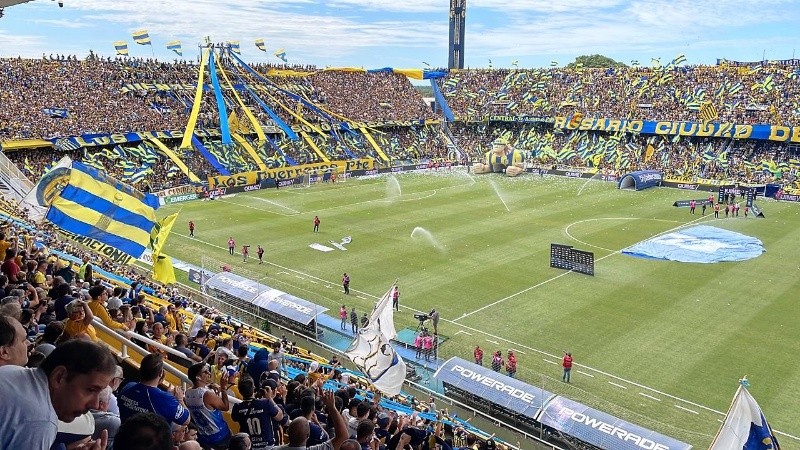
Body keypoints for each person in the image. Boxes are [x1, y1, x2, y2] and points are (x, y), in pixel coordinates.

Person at [0, 339, 116, 449]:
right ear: (59, 377)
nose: (95, 405)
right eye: (90, 390)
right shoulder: (41, 421)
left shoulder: (11, 370)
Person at [118, 353, 191, 427]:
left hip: (125, 435)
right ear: (161, 373)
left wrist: (166, 395)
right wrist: (180, 399)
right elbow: (186, 420)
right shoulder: (164, 399)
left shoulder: (127, 386)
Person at [185, 362, 232, 449]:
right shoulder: (207, 395)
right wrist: (223, 388)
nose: (209, 373)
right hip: (220, 436)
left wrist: (210, 385)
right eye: (205, 372)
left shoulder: (187, 393)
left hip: (204, 436)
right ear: (198, 377)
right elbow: (225, 407)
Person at [231, 376, 284, 449]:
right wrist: (270, 398)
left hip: (249, 446)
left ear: (239, 391)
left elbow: (234, 418)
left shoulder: (237, 407)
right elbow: (280, 416)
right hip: (267, 446)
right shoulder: (266, 403)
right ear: (254, 388)